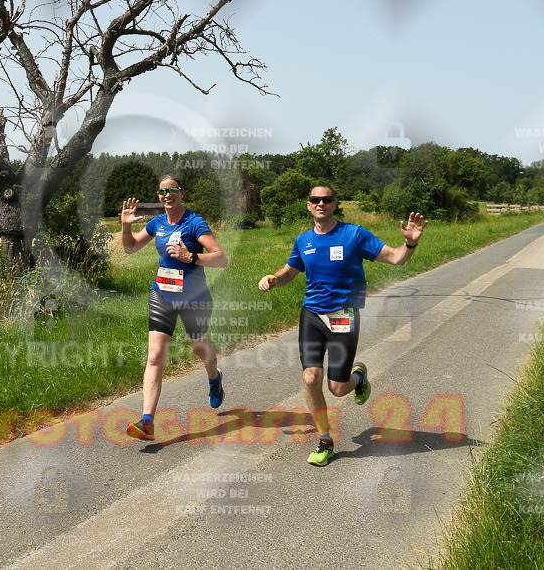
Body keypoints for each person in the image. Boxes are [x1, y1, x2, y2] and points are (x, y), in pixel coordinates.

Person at [257, 183, 427, 465]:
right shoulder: (303, 240)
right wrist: (273, 278)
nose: (321, 203)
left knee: (337, 388)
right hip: (311, 314)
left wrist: (410, 243)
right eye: (315, 199)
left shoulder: (354, 234)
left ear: (335, 204)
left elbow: (396, 258)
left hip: (343, 316)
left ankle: (358, 377)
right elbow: (290, 272)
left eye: (327, 199)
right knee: (311, 377)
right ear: (309, 205)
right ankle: (324, 440)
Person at [120, 174, 229, 441]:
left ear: (182, 192)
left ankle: (214, 378)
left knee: (198, 345)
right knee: (155, 354)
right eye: (162, 192)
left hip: (195, 298)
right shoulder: (157, 223)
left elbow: (221, 259)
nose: (167, 195)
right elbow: (131, 248)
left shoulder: (195, 223)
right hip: (162, 295)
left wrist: (190, 256)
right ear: (158, 196)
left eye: (173, 190)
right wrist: (125, 227)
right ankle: (147, 421)